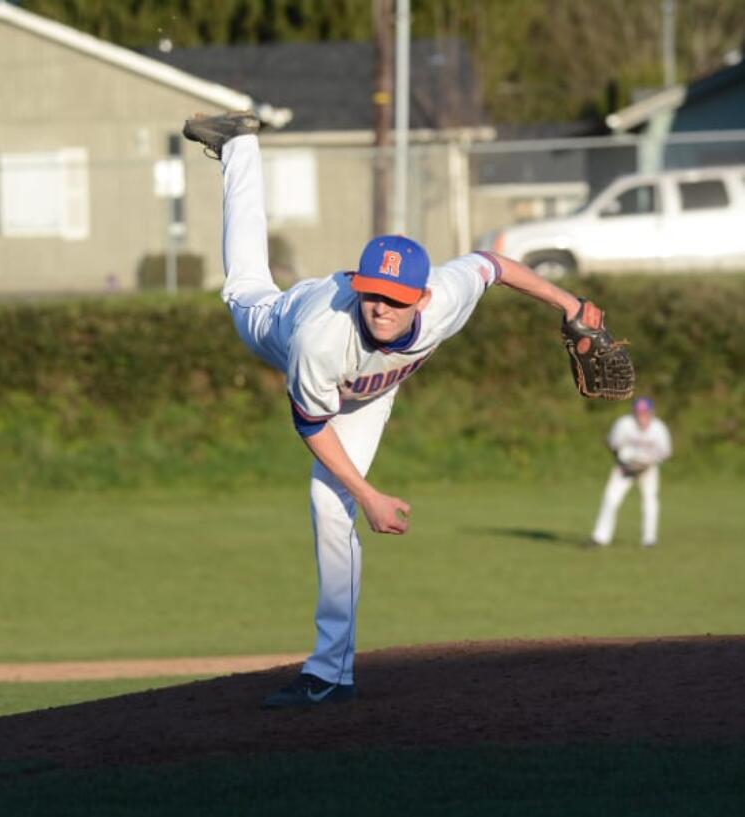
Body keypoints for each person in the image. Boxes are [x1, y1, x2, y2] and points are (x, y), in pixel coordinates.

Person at [181, 111, 623, 709]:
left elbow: (492, 267)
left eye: (394, 299)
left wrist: (570, 302)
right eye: (372, 294)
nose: (381, 307)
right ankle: (239, 145)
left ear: (420, 297)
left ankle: (329, 674)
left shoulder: (445, 297)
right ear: (359, 286)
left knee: (325, 504)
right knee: (243, 288)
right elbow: (311, 425)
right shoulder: (319, 339)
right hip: (284, 326)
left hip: (370, 388)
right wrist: (369, 495)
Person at [589, 397, 672, 548]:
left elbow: (665, 452)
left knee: (650, 501)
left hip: (648, 469)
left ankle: (649, 540)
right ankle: (600, 537)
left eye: (645, 413)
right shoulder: (624, 424)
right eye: (638, 413)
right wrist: (622, 461)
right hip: (624, 467)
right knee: (610, 499)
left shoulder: (659, 428)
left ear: (651, 413)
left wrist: (645, 463)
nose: (642, 416)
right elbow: (612, 444)